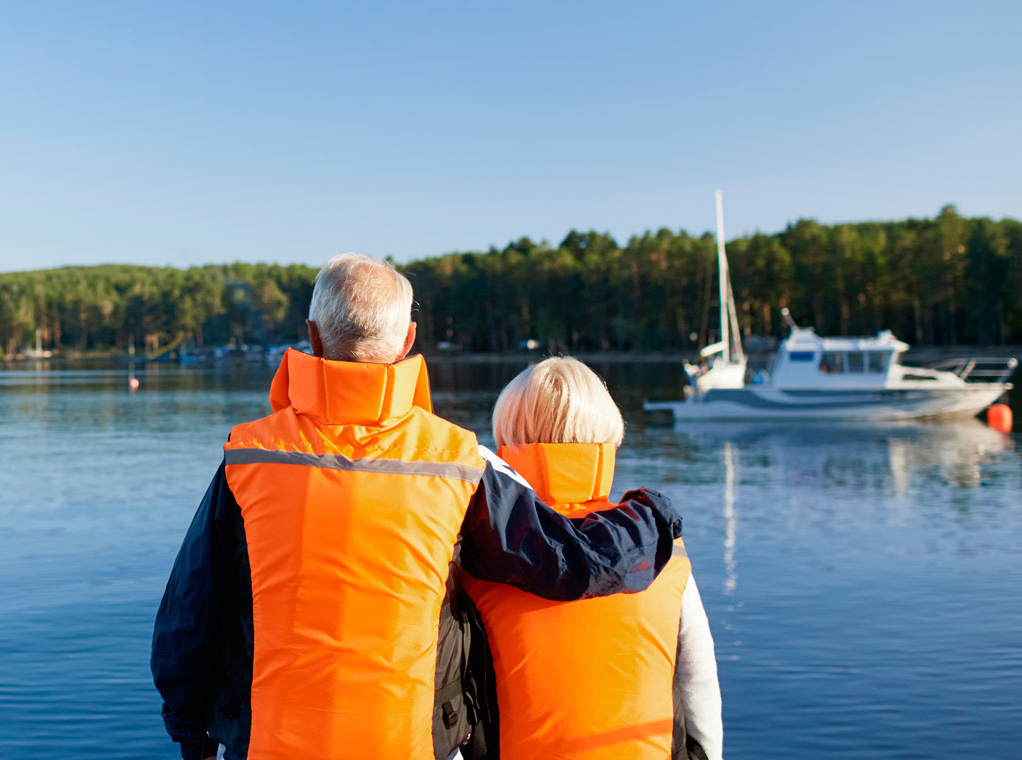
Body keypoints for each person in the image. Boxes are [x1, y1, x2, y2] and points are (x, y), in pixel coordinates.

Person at [151, 254, 684, 760]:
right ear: (407, 341)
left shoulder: (249, 458)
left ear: (312, 336)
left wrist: (192, 736)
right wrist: (655, 514)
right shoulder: (455, 464)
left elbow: (185, 624)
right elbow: (573, 564)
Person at [460, 357, 723, 760]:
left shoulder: (476, 557)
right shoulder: (659, 548)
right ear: (607, 441)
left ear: (506, 448)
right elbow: (698, 683)